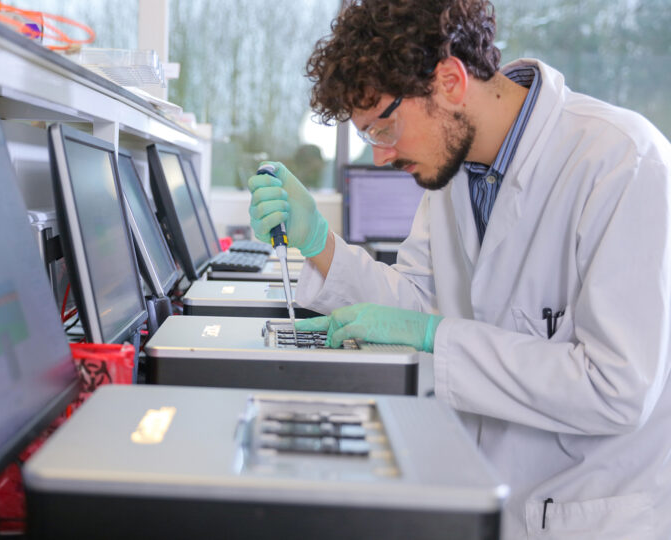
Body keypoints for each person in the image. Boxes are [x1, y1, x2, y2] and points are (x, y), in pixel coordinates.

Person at [247, 0, 671, 538]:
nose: (379, 156)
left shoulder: (623, 162)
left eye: (385, 126)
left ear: (449, 80)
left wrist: (433, 337)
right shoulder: (455, 171)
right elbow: (419, 302)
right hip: (489, 491)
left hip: (589, 512)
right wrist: (317, 243)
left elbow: (616, 387)